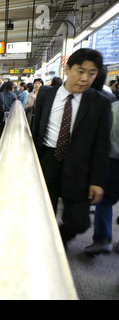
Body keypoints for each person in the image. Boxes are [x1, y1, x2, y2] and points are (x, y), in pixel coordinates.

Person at [32, 48, 111, 247]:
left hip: (78, 166)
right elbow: (36, 130)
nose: (85, 78)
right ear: (67, 70)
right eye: (80, 71)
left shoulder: (99, 102)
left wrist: (97, 181)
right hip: (48, 160)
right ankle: (47, 249)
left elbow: (102, 145)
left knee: (79, 221)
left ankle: (58, 239)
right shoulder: (46, 95)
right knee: (42, 214)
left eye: (91, 73)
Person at [84, 66, 118, 255]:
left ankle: (103, 238)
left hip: (112, 161)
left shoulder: (111, 108)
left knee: (104, 201)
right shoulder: (108, 101)